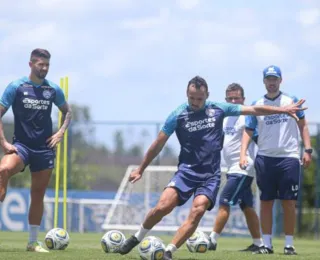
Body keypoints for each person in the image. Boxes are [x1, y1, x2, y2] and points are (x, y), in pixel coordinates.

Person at [118, 76, 306, 260]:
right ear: (187, 94)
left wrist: (282, 109)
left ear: (207, 95)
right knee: (162, 207)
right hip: (186, 172)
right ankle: (137, 237)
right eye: (191, 98)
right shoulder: (177, 115)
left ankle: (168, 251)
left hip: (210, 177)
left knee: (198, 211)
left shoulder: (219, 109)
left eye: (199, 99)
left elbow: (254, 109)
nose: (195, 102)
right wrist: (141, 169)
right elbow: (158, 144)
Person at [0, 48, 72, 252]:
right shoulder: (16, 86)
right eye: (41, 64)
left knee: (37, 195)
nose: (45, 68)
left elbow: (67, 112)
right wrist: (4, 143)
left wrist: (60, 133)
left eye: (47, 65)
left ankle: (32, 242)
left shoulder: (53, 89)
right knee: (3, 169)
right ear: (31, 64)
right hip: (21, 146)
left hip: (44, 149)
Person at [240, 65, 312, 255]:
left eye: (275, 79)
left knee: (289, 202)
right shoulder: (257, 104)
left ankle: (289, 244)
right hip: (265, 158)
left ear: (280, 81)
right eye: (268, 79)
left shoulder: (292, 101)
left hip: (289, 157)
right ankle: (267, 244)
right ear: (264, 81)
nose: (271, 82)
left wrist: (308, 150)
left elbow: (303, 126)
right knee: (266, 201)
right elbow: (248, 131)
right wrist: (242, 154)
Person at [209, 83, 263, 252]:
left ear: (243, 99)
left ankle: (211, 240)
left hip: (243, 167)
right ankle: (259, 244)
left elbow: (259, 140)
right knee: (247, 206)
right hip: (231, 168)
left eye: (236, 98)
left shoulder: (247, 116)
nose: (233, 101)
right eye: (230, 98)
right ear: (226, 100)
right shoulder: (226, 118)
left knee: (224, 201)